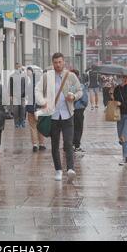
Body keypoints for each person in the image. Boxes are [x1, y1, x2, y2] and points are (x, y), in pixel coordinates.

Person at [36, 53, 83, 183]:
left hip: (68, 115)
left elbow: (80, 90)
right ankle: (58, 170)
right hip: (53, 116)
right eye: (55, 62)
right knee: (55, 144)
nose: (58, 65)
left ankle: (70, 169)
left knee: (68, 143)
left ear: (64, 62)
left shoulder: (71, 76)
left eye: (60, 62)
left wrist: (73, 97)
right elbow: (37, 90)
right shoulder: (46, 77)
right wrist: (42, 101)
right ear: (52, 63)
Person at [25, 66, 46, 153]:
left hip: (31, 108)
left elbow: (24, 94)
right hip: (40, 109)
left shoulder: (29, 86)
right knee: (40, 127)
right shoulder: (41, 87)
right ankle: (41, 144)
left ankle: (34, 145)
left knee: (33, 127)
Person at [72, 69, 88, 154]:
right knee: (78, 128)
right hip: (79, 109)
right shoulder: (81, 86)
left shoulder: (67, 86)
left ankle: (69, 144)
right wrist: (83, 105)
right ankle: (77, 145)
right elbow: (84, 99)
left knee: (70, 127)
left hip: (70, 109)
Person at [10, 64, 26, 129]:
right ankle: (16, 123)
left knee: (22, 109)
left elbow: (26, 85)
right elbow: (10, 86)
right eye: (18, 67)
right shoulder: (12, 76)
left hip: (22, 95)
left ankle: (22, 122)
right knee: (16, 110)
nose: (19, 68)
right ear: (15, 68)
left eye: (20, 67)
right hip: (15, 96)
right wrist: (11, 95)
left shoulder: (24, 76)